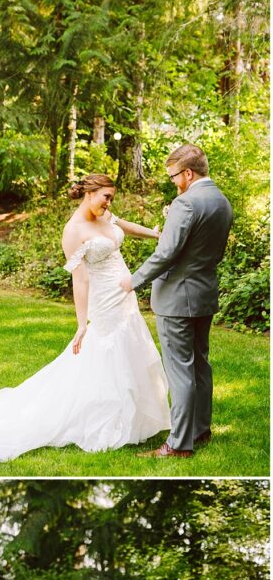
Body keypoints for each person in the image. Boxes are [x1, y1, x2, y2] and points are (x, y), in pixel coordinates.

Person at [0, 174, 170, 462]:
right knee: (107, 352)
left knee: (129, 348)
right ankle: (106, 420)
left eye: (111, 197)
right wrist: (82, 324)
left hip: (125, 297)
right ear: (89, 193)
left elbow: (123, 227)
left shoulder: (105, 214)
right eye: (105, 196)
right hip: (104, 301)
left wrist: (155, 234)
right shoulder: (73, 231)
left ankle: (133, 419)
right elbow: (80, 280)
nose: (109, 203)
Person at [119, 145, 233, 458]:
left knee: (180, 370)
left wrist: (134, 280)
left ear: (188, 173)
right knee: (200, 365)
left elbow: (167, 252)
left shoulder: (185, 203)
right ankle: (201, 430)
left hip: (176, 299)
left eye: (173, 176)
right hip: (204, 292)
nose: (172, 182)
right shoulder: (221, 201)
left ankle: (178, 444)